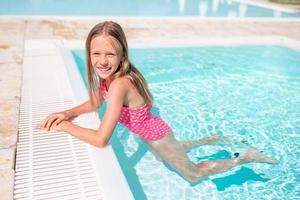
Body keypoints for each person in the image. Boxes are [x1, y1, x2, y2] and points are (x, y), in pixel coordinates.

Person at [38, 21, 278, 182]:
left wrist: (65, 126)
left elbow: (101, 140)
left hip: (156, 137)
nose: (101, 61)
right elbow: (94, 103)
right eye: (95, 54)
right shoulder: (107, 78)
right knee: (173, 150)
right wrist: (67, 112)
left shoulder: (120, 83)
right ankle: (208, 140)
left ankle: (246, 156)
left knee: (193, 174)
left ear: (122, 55)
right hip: (154, 132)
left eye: (109, 54)